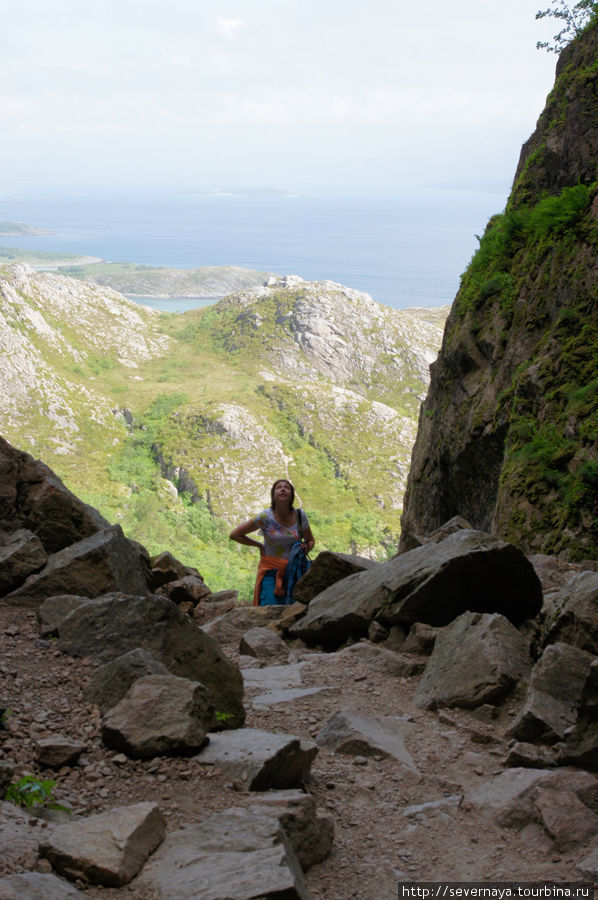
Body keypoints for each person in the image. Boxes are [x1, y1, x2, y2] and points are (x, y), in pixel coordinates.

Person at [229, 478, 315, 606]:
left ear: (291, 495)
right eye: (279, 487)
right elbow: (235, 534)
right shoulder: (265, 517)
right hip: (271, 572)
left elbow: (311, 540)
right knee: (268, 608)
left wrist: (305, 547)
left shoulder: (299, 516)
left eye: (287, 487)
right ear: (273, 495)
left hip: (296, 572)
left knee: (293, 612)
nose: (283, 489)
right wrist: (259, 545)